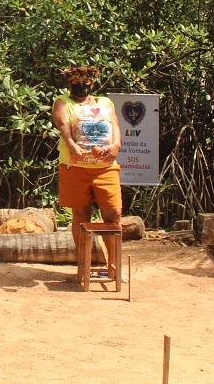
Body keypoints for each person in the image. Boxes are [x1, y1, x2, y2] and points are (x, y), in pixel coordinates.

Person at [52, 65, 122, 275]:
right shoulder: (63, 102)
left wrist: (116, 145)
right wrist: (72, 145)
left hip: (105, 168)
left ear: (92, 83)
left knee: (114, 214)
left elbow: (115, 124)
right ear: (68, 84)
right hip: (75, 167)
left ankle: (114, 267)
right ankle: (84, 265)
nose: (80, 86)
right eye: (74, 83)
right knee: (81, 215)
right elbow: (62, 124)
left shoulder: (105, 103)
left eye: (85, 83)